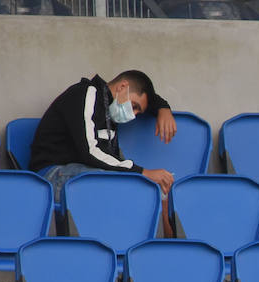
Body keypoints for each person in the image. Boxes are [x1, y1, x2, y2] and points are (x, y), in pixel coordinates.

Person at [29, 70, 178, 205]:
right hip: (51, 175)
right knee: (114, 181)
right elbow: (89, 151)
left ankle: (167, 235)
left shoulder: (110, 107)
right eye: (134, 106)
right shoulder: (85, 93)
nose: (133, 115)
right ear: (122, 87)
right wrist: (143, 172)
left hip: (84, 173)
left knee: (151, 187)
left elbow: (146, 96)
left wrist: (163, 108)